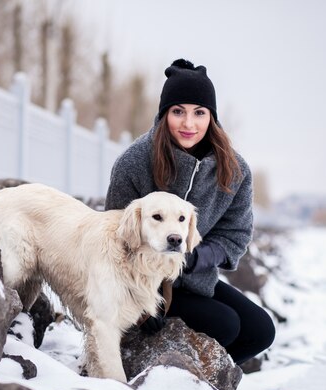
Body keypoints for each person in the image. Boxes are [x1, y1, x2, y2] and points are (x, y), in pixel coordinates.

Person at [105, 59, 275, 365]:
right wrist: (141, 308)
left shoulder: (234, 170)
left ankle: (201, 379)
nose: (189, 123)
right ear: (164, 114)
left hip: (195, 278)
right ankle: (153, 368)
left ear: (212, 117)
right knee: (224, 324)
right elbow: (113, 237)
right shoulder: (134, 162)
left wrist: (194, 257)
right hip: (142, 281)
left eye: (199, 112)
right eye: (178, 111)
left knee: (260, 331)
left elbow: (235, 233)